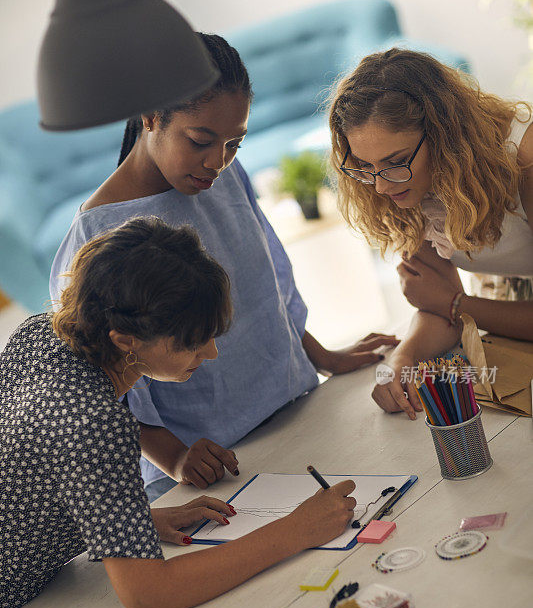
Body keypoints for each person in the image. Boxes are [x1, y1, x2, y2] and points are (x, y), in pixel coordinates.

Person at [50, 33, 397, 498]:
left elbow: (270, 285)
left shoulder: (228, 176)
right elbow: (96, 393)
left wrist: (321, 356)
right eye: (200, 141)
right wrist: (175, 457)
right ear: (150, 115)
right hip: (211, 468)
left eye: (234, 143)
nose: (217, 161)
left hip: (297, 407)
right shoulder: (96, 237)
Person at [0, 218, 356, 608]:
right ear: (126, 341)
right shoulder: (94, 424)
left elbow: (32, 472)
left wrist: (130, 520)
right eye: (191, 341)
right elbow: (150, 596)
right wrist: (296, 531)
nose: (210, 353)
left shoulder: (38, 335)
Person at [328, 47, 533, 420]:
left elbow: (445, 302)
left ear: (446, 134)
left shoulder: (525, 157)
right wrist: (402, 360)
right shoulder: (402, 185)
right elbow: (434, 301)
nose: (379, 187)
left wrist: (459, 305)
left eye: (395, 162)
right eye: (363, 165)